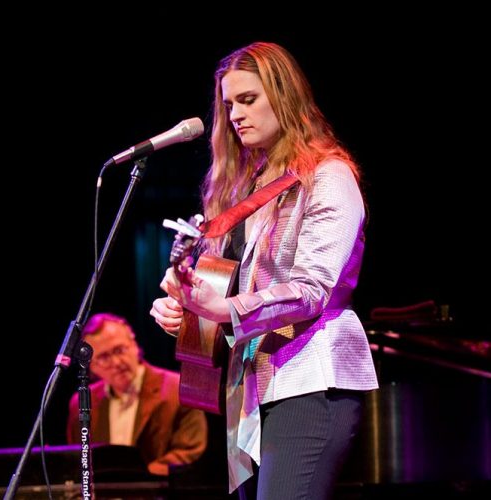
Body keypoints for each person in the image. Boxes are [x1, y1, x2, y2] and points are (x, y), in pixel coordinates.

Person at [150, 41, 379, 499]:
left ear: (285, 97)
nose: (235, 114)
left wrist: (225, 307)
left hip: (311, 382)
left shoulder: (328, 177)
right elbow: (218, 281)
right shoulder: (245, 189)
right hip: (252, 386)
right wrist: (184, 303)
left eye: (248, 100)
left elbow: (313, 289)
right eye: (229, 103)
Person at [66, 312, 208, 476]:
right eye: (104, 357)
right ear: (91, 366)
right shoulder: (82, 403)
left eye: (119, 350)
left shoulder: (178, 389)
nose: (117, 363)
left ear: (134, 345)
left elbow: (190, 451)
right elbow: (78, 460)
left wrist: (139, 480)